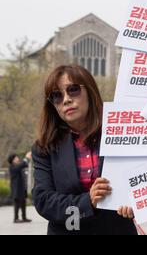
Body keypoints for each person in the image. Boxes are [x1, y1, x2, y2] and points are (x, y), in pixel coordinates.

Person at [32, 64, 137, 235]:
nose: (66, 99)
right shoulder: (44, 146)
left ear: (90, 91)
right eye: (57, 96)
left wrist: (135, 202)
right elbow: (43, 201)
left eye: (73, 90)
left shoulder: (121, 132)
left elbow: (140, 179)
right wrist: (87, 201)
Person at [8, 152, 32, 223]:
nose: (17, 159)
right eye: (15, 158)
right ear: (12, 160)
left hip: (21, 189)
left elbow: (24, 165)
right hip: (16, 189)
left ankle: (24, 217)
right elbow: (22, 165)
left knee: (23, 203)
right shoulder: (12, 167)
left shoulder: (18, 166)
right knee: (17, 204)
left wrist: (27, 159)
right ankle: (16, 218)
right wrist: (26, 158)